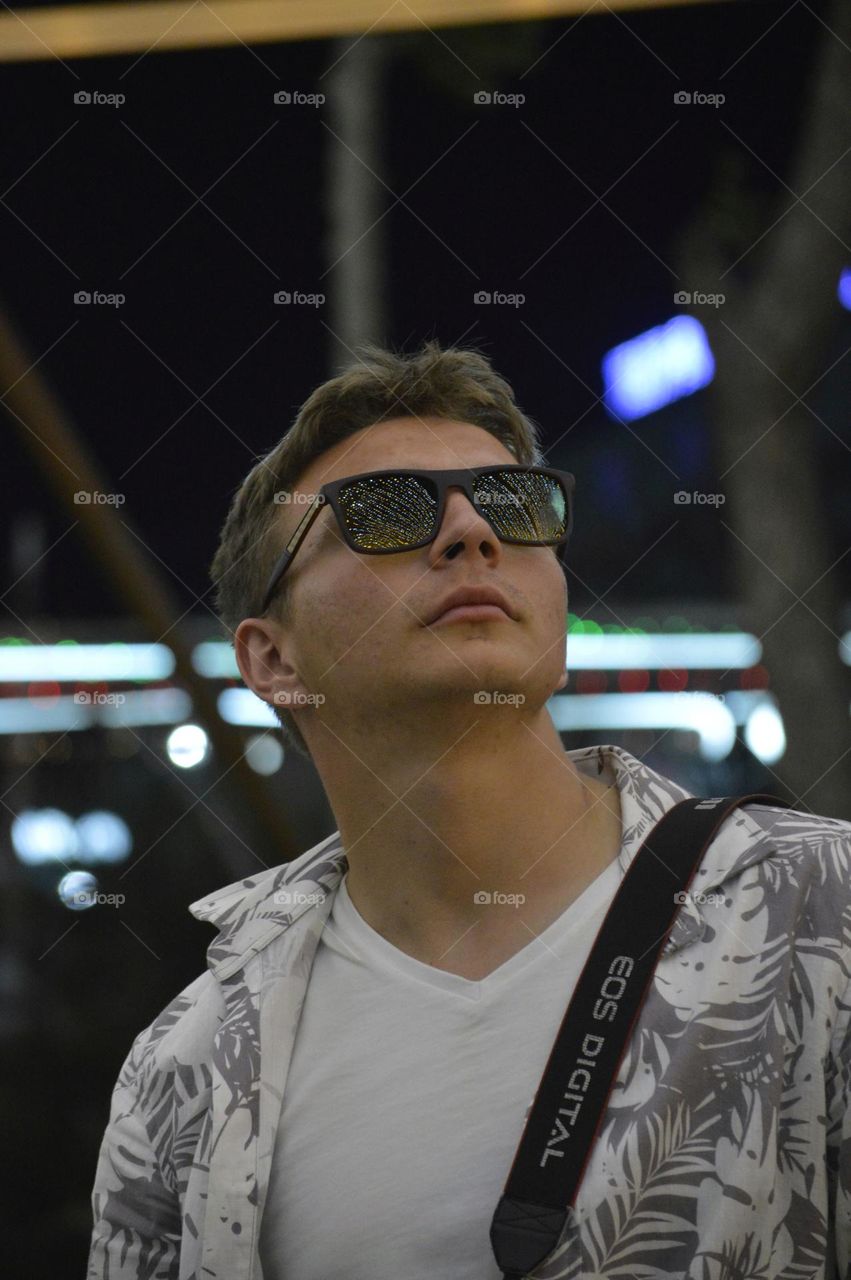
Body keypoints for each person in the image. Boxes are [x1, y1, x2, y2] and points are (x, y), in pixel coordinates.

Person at [87, 340, 851, 1280]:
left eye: (515, 504)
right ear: (272, 660)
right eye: (385, 511)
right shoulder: (185, 1068)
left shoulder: (817, 907)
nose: (470, 532)